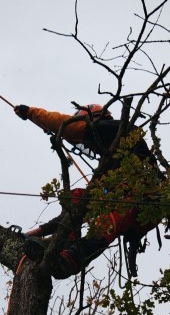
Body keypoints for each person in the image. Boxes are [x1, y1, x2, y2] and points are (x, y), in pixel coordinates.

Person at [15, 102, 161, 278]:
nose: (90, 146)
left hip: (144, 201)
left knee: (106, 223)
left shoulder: (110, 128)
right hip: (124, 197)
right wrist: (34, 233)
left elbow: (68, 127)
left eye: (88, 141)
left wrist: (31, 113)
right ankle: (64, 241)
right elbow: (78, 209)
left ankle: (68, 261)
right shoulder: (111, 163)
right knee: (77, 197)